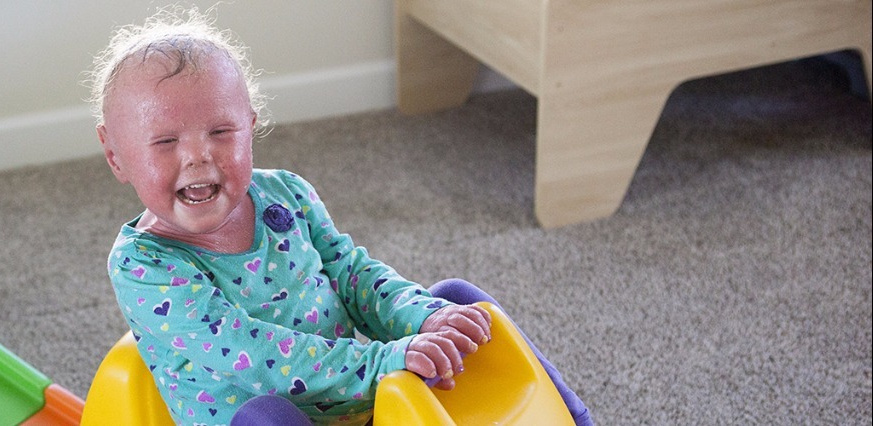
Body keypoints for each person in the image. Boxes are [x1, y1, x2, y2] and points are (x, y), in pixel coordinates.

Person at [89, 6, 591, 425]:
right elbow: (251, 355)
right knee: (266, 414)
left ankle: (572, 417)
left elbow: (353, 276)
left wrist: (425, 319)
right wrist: (385, 361)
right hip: (273, 411)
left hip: (361, 394)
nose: (198, 156)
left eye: (221, 131)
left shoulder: (285, 194)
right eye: (166, 141)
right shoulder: (143, 265)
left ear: (250, 127)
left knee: (459, 304)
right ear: (116, 156)